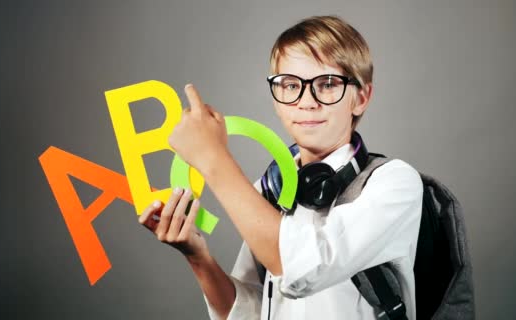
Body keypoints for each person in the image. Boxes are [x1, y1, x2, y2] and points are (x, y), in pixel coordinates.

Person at [138, 15, 423, 320]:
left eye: (327, 84)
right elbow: (251, 312)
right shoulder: (271, 189)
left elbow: (300, 268)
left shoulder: (393, 183)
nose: (306, 101)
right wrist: (198, 257)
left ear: (361, 97)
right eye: (290, 85)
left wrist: (212, 158)